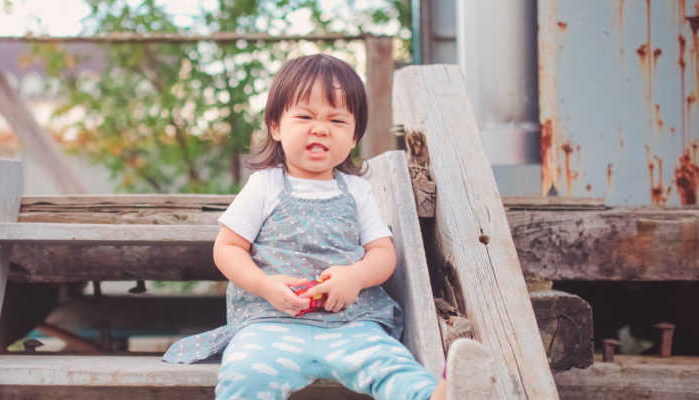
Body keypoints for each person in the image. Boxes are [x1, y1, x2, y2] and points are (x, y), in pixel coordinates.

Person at [162, 54, 495, 400]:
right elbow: (228, 248)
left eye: (337, 121)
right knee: (246, 375)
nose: (320, 128)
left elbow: (382, 253)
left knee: (388, 363)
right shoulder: (265, 186)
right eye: (305, 116)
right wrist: (264, 284)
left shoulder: (357, 191)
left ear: (353, 138)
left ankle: (436, 396)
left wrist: (356, 277)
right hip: (271, 323)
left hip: (352, 323)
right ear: (276, 126)